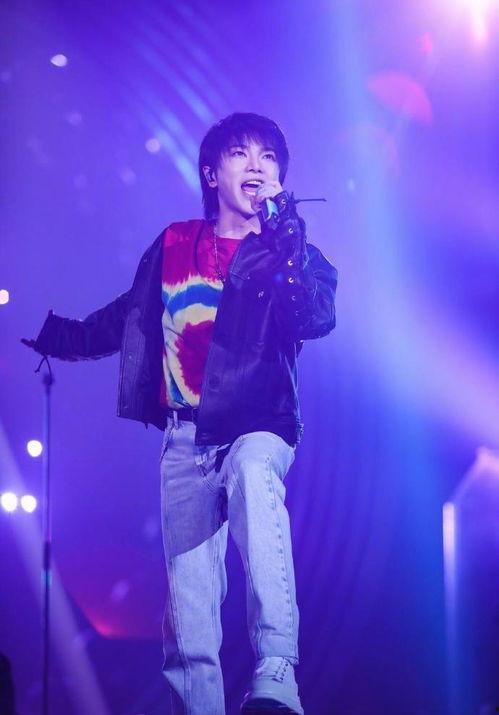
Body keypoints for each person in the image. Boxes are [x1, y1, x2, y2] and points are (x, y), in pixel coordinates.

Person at [23, 112, 338, 715]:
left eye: (269, 157)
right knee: (190, 614)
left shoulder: (292, 254)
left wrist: (287, 238)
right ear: (211, 173)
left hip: (258, 424)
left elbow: (314, 317)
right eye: (241, 153)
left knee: (253, 473)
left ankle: (277, 670)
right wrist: (58, 337)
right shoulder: (174, 243)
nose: (256, 165)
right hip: (186, 439)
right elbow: (130, 317)